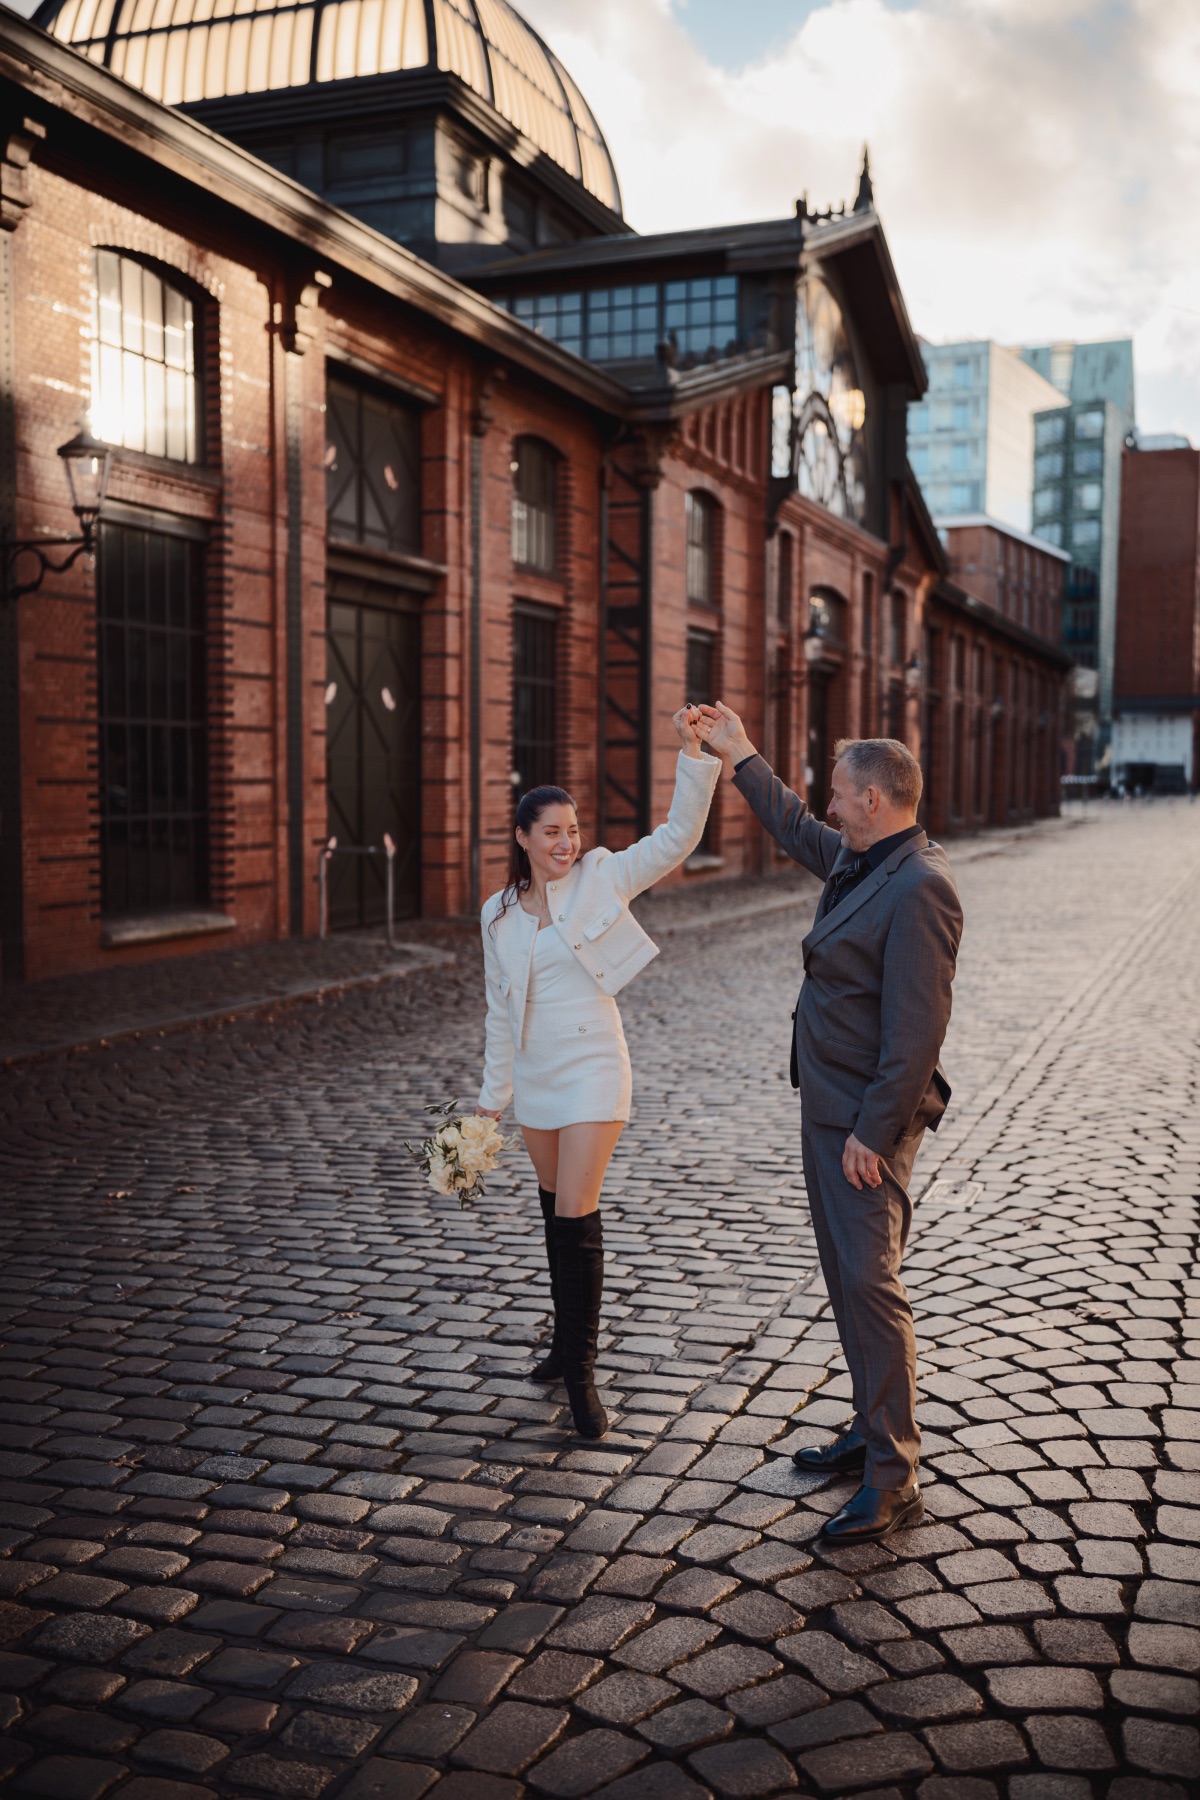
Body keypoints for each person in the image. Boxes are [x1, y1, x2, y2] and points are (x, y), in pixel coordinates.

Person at [697, 702, 963, 1543]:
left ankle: (894, 1475)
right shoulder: (862, 859)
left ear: (877, 801)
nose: (831, 806)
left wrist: (872, 1137)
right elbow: (793, 824)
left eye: (842, 795)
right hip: (828, 1108)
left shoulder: (921, 888)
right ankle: (866, 1427)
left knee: (871, 1286)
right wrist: (740, 752)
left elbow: (916, 1034)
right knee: (846, 1279)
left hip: (863, 1127)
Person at [477, 707, 720, 1439]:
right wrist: (492, 1102)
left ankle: (582, 1375)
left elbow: (679, 837)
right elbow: (496, 1012)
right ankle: (560, 1346)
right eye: (552, 831)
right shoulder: (496, 914)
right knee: (555, 1213)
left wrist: (692, 755)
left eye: (572, 829)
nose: (566, 841)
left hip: (593, 1067)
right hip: (537, 1076)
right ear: (522, 837)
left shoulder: (602, 876)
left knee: (577, 1213)